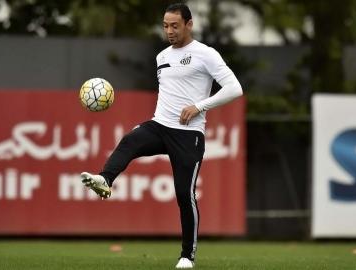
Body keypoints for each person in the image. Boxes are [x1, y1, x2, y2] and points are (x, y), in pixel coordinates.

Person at [80, 2, 243, 269]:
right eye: (166, 25)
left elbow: (234, 88)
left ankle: (187, 256)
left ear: (189, 24)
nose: (169, 30)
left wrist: (199, 106)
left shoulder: (206, 54)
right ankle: (105, 179)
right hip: (160, 126)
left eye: (175, 25)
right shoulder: (162, 56)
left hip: (188, 134)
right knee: (131, 139)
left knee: (184, 194)